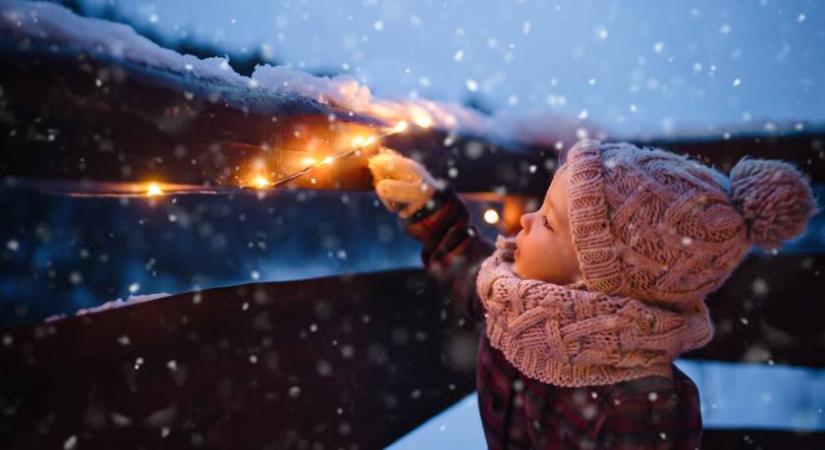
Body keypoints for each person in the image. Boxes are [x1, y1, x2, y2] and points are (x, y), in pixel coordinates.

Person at [368, 140, 818, 449]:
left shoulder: (647, 405)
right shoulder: (513, 302)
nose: (525, 221)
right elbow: (468, 267)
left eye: (547, 221)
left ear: (595, 280)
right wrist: (427, 205)